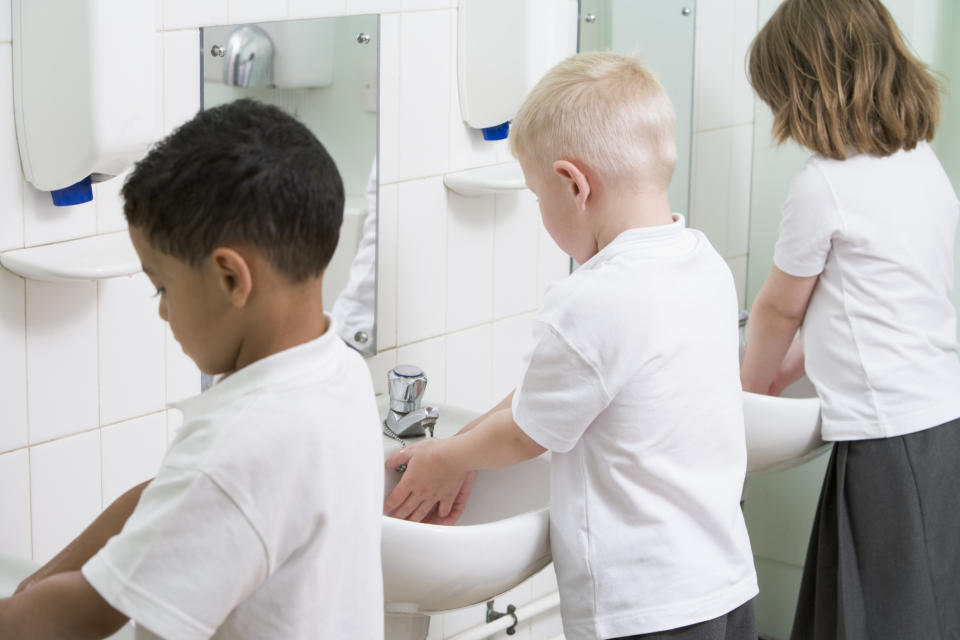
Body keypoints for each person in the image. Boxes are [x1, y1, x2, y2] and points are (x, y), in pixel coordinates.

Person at [384, 51, 758, 640]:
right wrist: (457, 443)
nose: (540, 213)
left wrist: (449, 458)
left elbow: (526, 432)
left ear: (573, 184)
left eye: (537, 197)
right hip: (720, 580)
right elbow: (559, 388)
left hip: (644, 607)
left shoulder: (594, 297)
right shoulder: (700, 263)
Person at [0, 99, 384, 639]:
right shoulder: (334, 370)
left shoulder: (240, 441)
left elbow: (81, 617)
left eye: (162, 286)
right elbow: (162, 498)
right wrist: (29, 590)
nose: (161, 310)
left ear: (230, 278)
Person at [740, 1, 960, 638]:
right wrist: (797, 362)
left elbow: (781, 305)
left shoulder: (823, 184)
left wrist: (750, 390)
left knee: (885, 620)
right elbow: (873, 300)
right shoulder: (920, 162)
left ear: (808, 90)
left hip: (891, 438)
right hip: (935, 420)